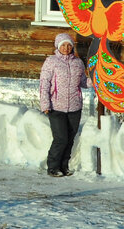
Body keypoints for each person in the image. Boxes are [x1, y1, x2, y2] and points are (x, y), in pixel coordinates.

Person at [39, 32, 89, 177]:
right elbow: (44, 84)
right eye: (63, 45)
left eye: (69, 45)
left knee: (70, 138)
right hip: (56, 107)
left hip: (75, 106)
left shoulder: (78, 63)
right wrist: (45, 104)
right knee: (61, 138)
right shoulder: (51, 61)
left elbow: (83, 82)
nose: (66, 48)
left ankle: (64, 166)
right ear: (58, 46)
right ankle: (53, 167)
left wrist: (96, 81)